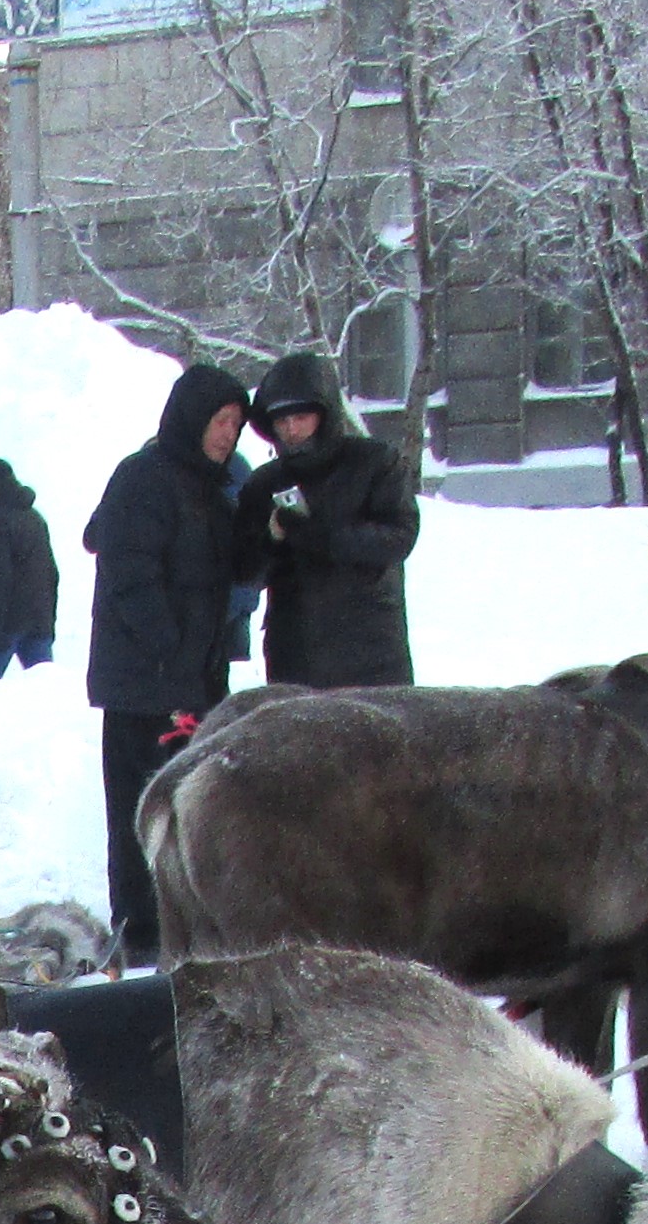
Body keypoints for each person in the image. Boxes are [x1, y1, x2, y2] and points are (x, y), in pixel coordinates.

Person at [83, 361, 262, 962]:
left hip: (192, 680)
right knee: (142, 813)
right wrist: (171, 655)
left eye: (236, 424)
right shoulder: (145, 478)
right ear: (191, 418)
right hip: (146, 686)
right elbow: (131, 577)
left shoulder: (208, 487)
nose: (227, 434)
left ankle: (182, 931)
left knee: (188, 810)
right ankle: (139, 936)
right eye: (219, 420)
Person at [235, 349, 420, 690]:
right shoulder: (265, 483)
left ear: (324, 414)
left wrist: (319, 536)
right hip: (297, 651)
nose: (291, 430)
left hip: (371, 649)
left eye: (301, 417)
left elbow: (398, 537)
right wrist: (272, 538)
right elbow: (245, 570)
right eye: (281, 421)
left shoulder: (375, 463)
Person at [0, 456, 60, 680]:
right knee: (44, 688)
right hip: (39, 618)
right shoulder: (34, 518)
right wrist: (48, 619)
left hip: (5, 623)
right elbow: (51, 573)